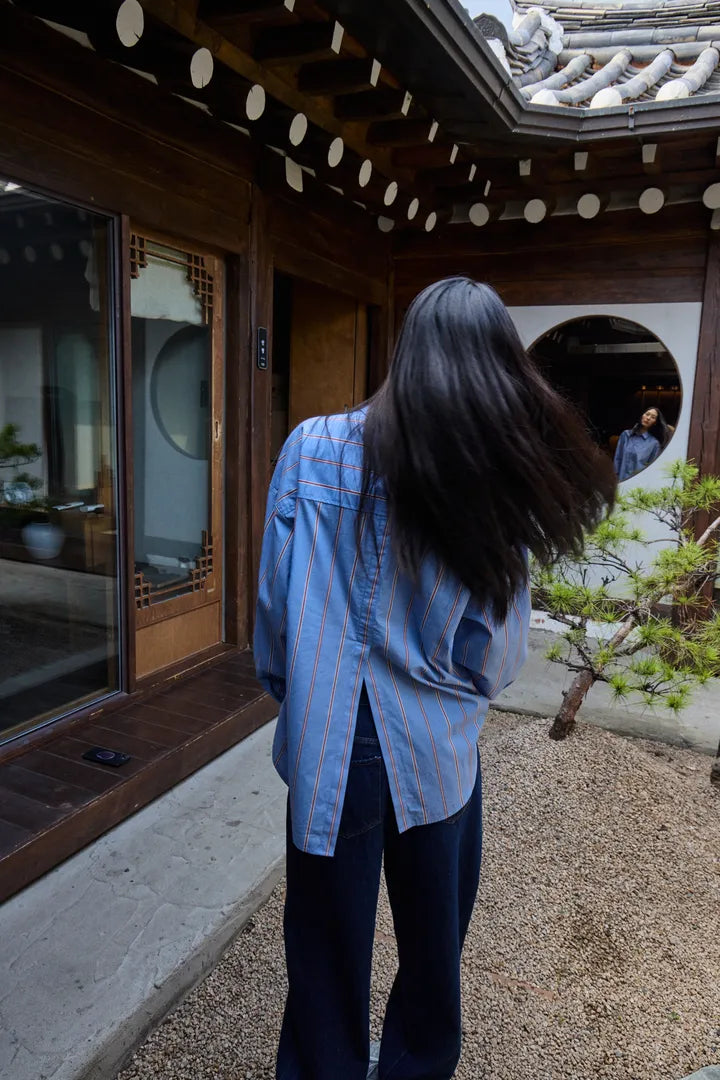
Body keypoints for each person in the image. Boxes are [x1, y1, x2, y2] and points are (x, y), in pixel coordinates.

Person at [255, 277, 617, 1080]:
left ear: (406, 350)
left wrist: (295, 693)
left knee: (322, 950)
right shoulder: (487, 471)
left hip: (328, 746)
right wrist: (453, 698)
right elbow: (496, 651)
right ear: (497, 364)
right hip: (436, 745)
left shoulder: (311, 447)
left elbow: (278, 606)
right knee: (432, 947)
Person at [613, 406, 669, 481]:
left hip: (638, 484)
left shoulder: (654, 444)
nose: (648, 418)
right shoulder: (626, 435)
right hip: (620, 481)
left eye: (653, 417)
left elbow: (651, 469)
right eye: (647, 414)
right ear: (642, 415)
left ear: (655, 422)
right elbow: (617, 459)